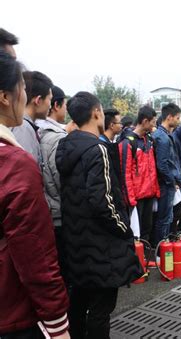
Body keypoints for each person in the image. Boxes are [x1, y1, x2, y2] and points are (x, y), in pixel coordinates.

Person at [56, 91, 142, 337]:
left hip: (76, 240)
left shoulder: (65, 145)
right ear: (96, 113)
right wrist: (123, 227)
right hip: (102, 245)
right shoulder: (98, 149)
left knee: (79, 302)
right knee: (101, 309)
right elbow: (102, 200)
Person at [0, 50, 70, 339]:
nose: (25, 94)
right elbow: (35, 252)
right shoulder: (13, 161)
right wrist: (57, 322)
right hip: (12, 313)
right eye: (23, 87)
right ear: (6, 96)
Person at [36, 85, 68, 276]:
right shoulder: (56, 138)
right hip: (58, 213)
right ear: (56, 105)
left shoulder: (37, 131)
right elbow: (60, 178)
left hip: (48, 210)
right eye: (64, 105)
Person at [119, 106, 160, 242]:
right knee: (135, 232)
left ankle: (147, 259)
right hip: (136, 197)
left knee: (147, 229)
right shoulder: (128, 142)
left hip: (149, 193)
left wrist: (156, 190)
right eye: (153, 122)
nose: (155, 125)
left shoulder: (149, 140)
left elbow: (153, 168)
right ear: (144, 121)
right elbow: (125, 173)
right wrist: (130, 200)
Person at [152, 103, 181, 244]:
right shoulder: (162, 138)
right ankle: (160, 250)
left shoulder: (164, 135)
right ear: (169, 117)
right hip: (165, 184)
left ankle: (162, 247)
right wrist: (172, 181)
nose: (178, 121)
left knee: (167, 217)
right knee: (164, 218)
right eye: (177, 118)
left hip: (167, 183)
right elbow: (162, 165)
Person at [11, 71, 53, 165]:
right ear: (38, 100)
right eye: (50, 99)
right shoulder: (23, 128)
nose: (50, 106)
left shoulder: (20, 125)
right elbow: (23, 170)